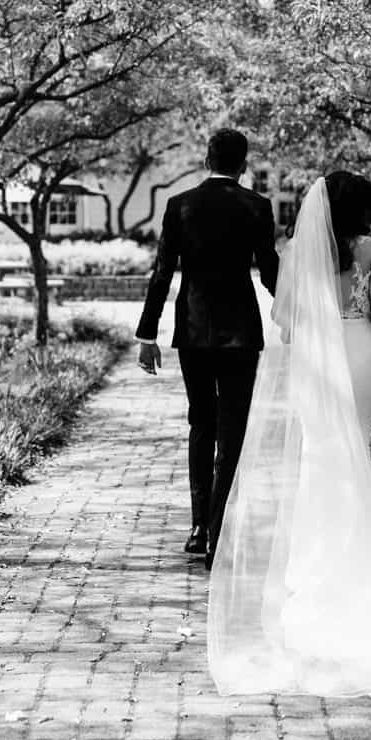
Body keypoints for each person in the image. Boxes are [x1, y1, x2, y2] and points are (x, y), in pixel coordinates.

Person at [208, 172, 371, 697]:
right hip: (356, 352)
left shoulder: (298, 249)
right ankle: (356, 560)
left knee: (321, 454)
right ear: (362, 207)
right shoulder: (370, 249)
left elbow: (285, 319)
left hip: (314, 359)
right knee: (354, 452)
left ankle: (314, 565)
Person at [136, 128, 281, 567]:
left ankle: (199, 528)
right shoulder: (257, 207)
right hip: (240, 333)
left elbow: (162, 273)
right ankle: (220, 531)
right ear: (243, 165)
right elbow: (270, 272)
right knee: (232, 430)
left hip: (194, 331)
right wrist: (297, 312)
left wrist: (147, 335)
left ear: (206, 159)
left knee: (201, 423)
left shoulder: (180, 206)